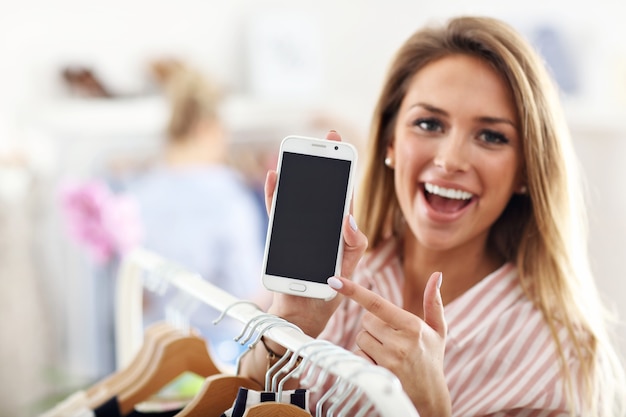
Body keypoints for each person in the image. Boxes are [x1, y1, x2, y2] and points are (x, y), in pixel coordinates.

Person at [240, 16, 626, 416]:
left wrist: (429, 408)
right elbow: (234, 397)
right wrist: (286, 326)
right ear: (390, 142)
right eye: (428, 123)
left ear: (526, 171)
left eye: (491, 136)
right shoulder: (339, 275)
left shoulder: (556, 359)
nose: (450, 160)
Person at [121, 59, 269, 364]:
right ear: (208, 128)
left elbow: (135, 296)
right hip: (218, 360)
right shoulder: (229, 197)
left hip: (153, 360)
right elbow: (244, 295)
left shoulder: (136, 195)